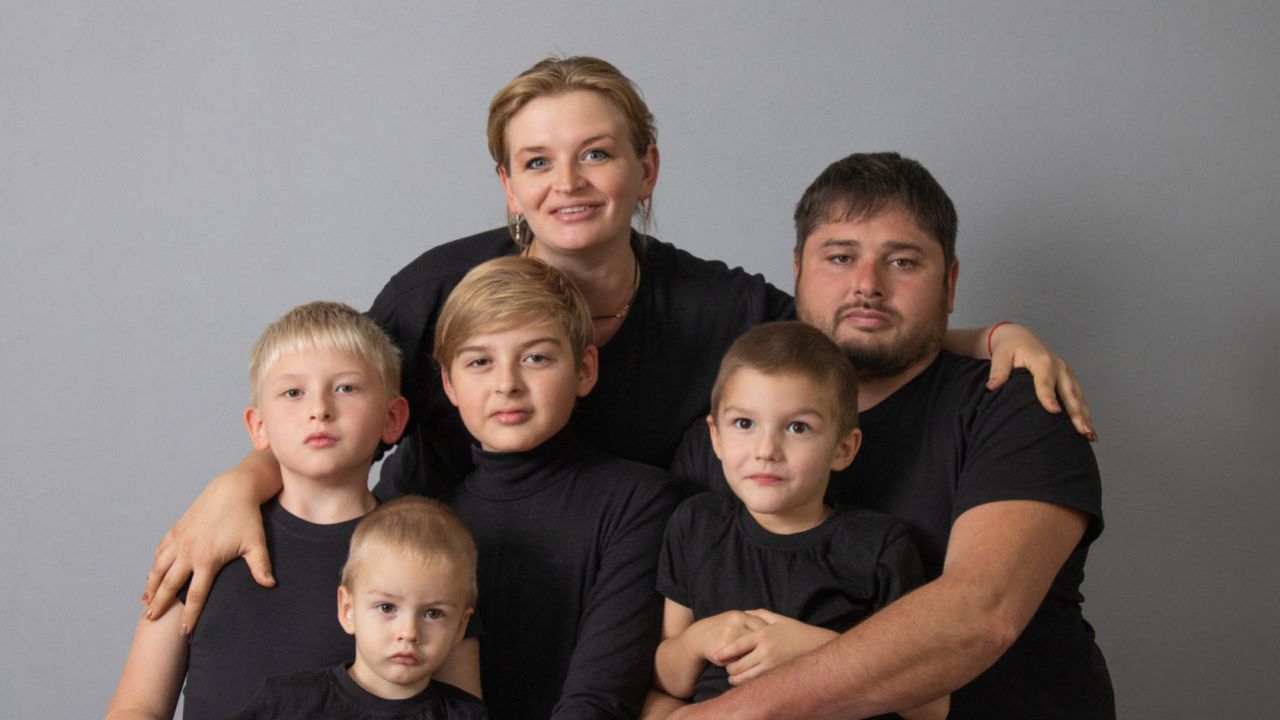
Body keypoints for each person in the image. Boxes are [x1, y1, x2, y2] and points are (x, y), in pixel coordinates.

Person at [141, 56, 1094, 635]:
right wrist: (241, 479)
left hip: (630, 598)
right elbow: (334, 407)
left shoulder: (716, 303)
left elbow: (841, 330)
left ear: (647, 170)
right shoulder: (439, 289)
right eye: (538, 162)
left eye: (597, 153)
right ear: (508, 186)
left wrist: (991, 335)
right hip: (437, 591)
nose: (570, 183)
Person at [667, 152, 1113, 719]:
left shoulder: (1016, 408)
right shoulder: (732, 436)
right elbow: (663, 648)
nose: (867, 286)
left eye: (903, 262)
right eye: (840, 257)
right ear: (797, 270)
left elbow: (979, 616)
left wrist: (726, 716)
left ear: (950, 284)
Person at [106, 301, 413, 719]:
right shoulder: (205, 541)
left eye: (346, 388)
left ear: (392, 418)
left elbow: (460, 706)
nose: (319, 409)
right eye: (293, 392)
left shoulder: (420, 550)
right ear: (258, 426)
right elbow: (137, 705)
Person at [653, 321, 949, 720]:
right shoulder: (695, 526)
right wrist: (697, 641)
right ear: (716, 437)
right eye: (744, 424)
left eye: (798, 427)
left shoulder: (879, 547)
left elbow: (931, 707)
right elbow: (669, 680)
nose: (766, 450)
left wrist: (816, 649)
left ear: (843, 448)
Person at [434, 256, 682, 719]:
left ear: (584, 369)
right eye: (480, 361)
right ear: (449, 383)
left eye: (536, 358)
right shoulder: (431, 523)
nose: (507, 384)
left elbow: (602, 696)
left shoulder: (639, 502)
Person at [235, 497, 488, 719]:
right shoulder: (287, 704)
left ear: (460, 627)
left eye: (433, 614)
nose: (409, 633)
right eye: (387, 607)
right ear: (348, 610)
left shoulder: (466, 715)